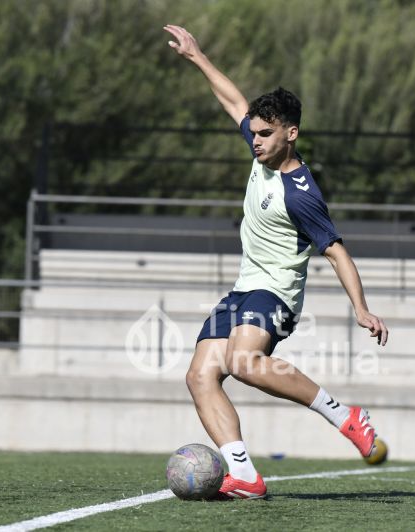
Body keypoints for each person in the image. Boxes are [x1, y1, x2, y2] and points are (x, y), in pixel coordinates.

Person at [164, 24, 389, 499]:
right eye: (254, 132)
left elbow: (337, 251)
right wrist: (198, 56)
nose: (256, 140)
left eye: (266, 134)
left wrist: (361, 309)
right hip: (245, 286)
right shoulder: (260, 149)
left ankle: (343, 415)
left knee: (245, 362)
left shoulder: (301, 194)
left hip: (276, 292)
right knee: (199, 375)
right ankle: (243, 473)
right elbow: (232, 101)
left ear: (292, 134)